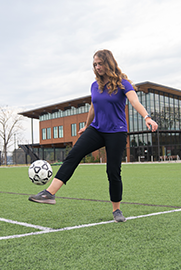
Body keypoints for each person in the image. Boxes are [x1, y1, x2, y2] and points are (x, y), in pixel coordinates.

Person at [28, 49, 158, 222]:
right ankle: (49, 193)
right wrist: (86, 126)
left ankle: (116, 210)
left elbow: (134, 101)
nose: (97, 67)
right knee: (74, 155)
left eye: (100, 63)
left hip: (116, 131)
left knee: (113, 171)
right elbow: (93, 107)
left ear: (108, 63)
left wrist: (146, 117)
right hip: (97, 129)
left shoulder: (122, 83)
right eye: (95, 65)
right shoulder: (94, 86)